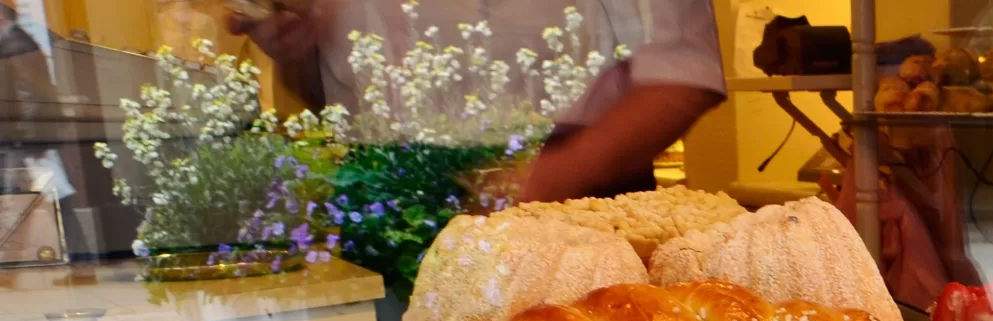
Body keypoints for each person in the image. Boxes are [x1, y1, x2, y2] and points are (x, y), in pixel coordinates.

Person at [230, 0, 725, 199]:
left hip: (566, 208)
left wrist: (547, 179)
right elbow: (333, 94)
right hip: (384, 208)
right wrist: (292, 48)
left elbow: (681, 73)